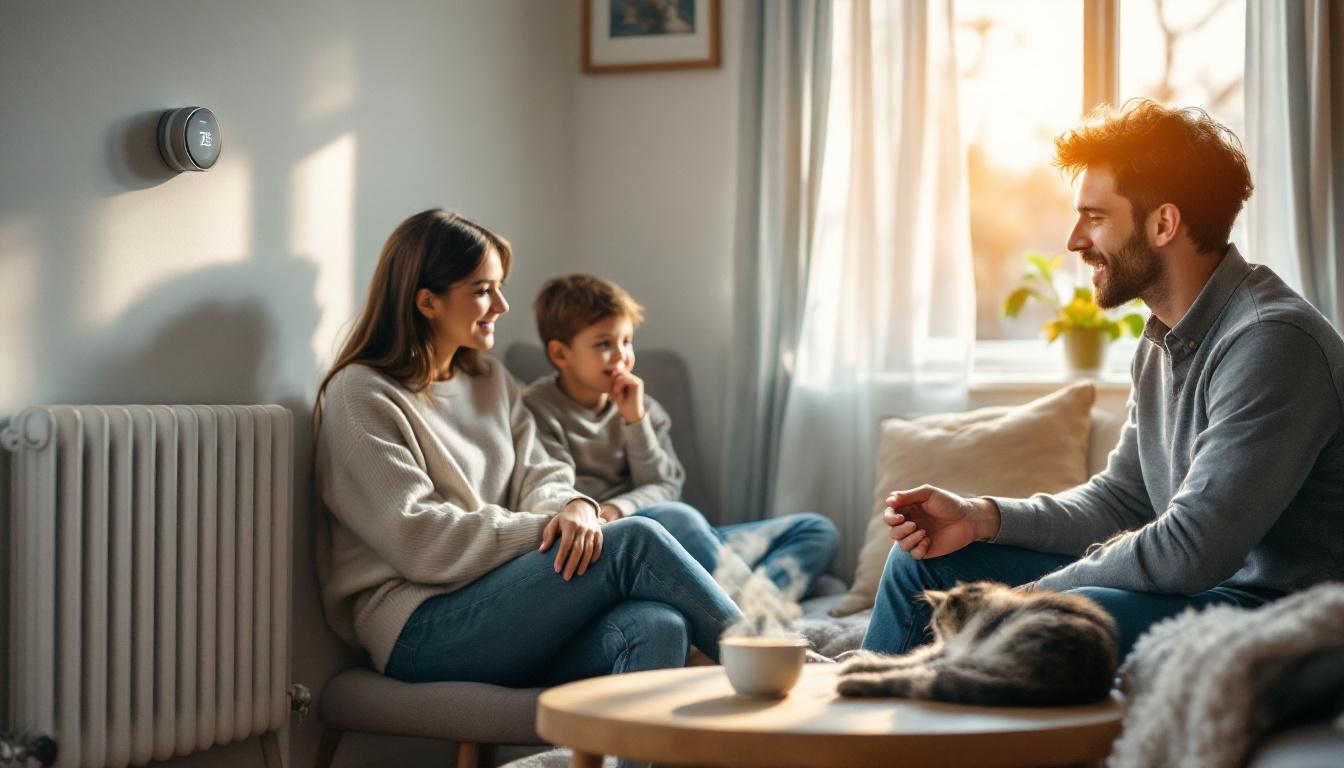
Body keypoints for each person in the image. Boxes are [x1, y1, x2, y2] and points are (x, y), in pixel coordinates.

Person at [863, 100, 1344, 660]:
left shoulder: (1272, 341)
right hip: (1204, 593)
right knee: (928, 561)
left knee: (1051, 618)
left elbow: (1190, 549)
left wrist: (1030, 597)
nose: (1073, 240)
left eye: (1094, 217)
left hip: (1279, 614)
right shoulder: (1163, 337)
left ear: (1163, 223)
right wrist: (979, 517)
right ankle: (857, 730)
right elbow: (1122, 500)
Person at [313, 210, 743, 686]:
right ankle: (776, 661)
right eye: (482, 290)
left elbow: (542, 474)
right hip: (419, 627)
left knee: (659, 626)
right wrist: (549, 525)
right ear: (427, 302)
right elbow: (421, 540)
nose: (501, 304)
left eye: (499, 287)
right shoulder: (360, 395)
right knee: (636, 540)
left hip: (508, 600)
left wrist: (574, 505)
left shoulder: (490, 380)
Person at [523, 274, 839, 603]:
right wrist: (613, 515)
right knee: (680, 517)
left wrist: (635, 422)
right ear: (561, 354)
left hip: (680, 535)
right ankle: (747, 615)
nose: (621, 356)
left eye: (627, 341)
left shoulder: (641, 405)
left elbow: (665, 485)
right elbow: (552, 487)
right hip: (621, 542)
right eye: (604, 344)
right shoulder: (537, 409)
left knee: (818, 530)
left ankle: (742, 603)